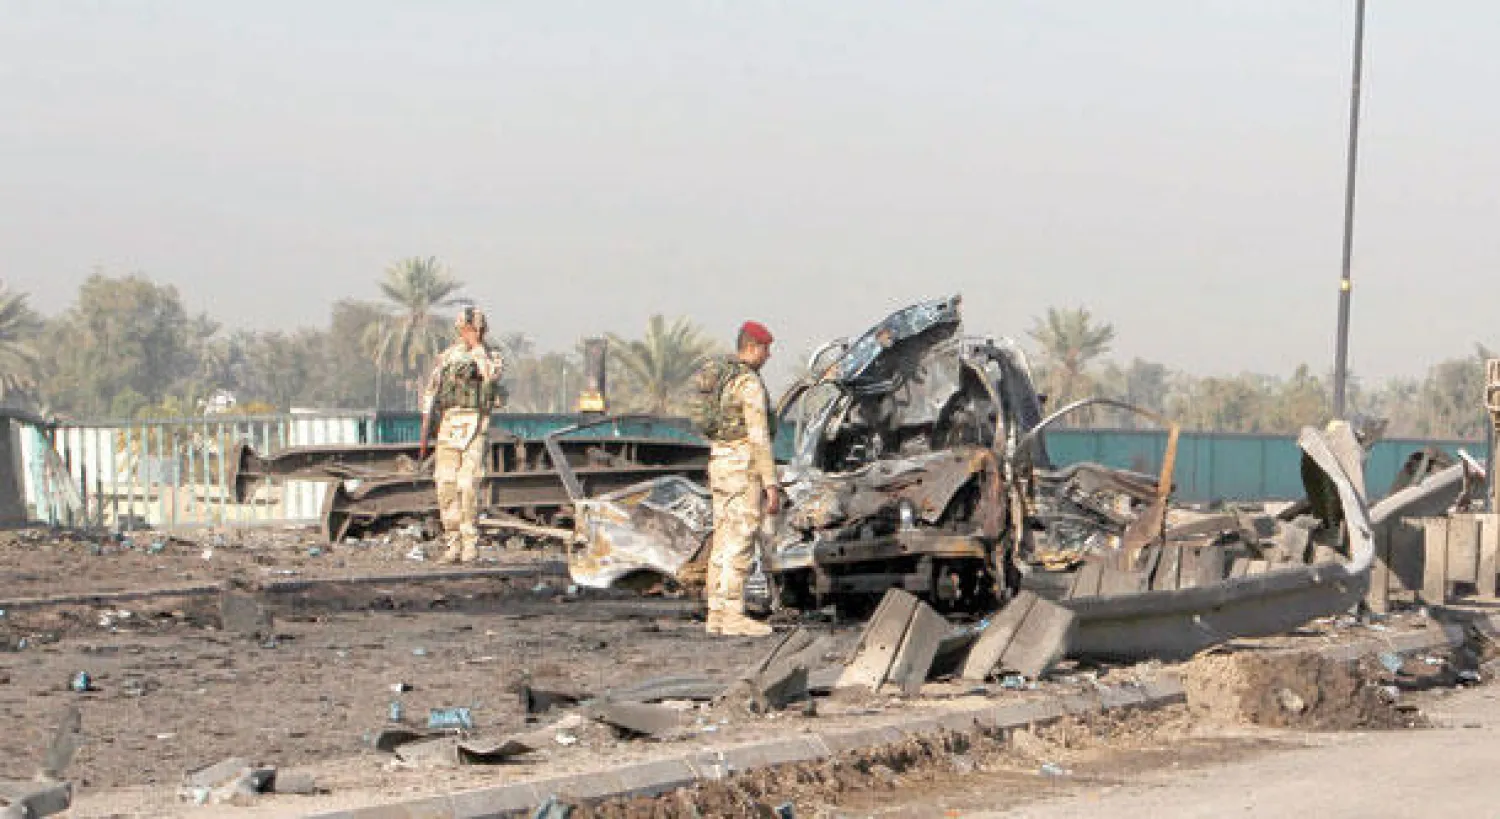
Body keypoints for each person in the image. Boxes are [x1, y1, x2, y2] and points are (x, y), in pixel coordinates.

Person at [699, 320, 781, 637]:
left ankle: (717, 613)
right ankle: (732, 613)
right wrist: (771, 484)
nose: (769, 356)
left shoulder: (724, 381)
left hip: (719, 460)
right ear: (753, 347)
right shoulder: (748, 384)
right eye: (766, 349)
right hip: (743, 466)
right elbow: (759, 438)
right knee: (741, 539)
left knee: (722, 538)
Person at [418, 307, 504, 564]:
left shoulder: (490, 356)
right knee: (445, 484)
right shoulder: (447, 357)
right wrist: (425, 427)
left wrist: (477, 348)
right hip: (448, 425)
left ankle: (470, 544)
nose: (467, 334)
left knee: (468, 485)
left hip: (475, 424)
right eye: (465, 329)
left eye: (472, 329)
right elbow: (432, 393)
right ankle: (452, 543)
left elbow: (491, 377)